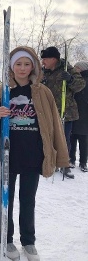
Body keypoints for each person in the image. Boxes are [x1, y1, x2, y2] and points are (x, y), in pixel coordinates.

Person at [0, 46, 69, 261]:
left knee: (28, 199)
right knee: (5, 199)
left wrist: (58, 154)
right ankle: (6, 238)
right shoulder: (3, 92)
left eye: (27, 64)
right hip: (7, 155)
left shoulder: (42, 92)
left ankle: (28, 241)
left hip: (32, 155)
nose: (22, 68)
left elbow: (52, 125)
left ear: (33, 66)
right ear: (11, 66)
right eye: (18, 64)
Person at [41, 46, 86, 179]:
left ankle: (65, 165)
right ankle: (50, 163)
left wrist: (71, 80)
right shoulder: (44, 71)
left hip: (65, 112)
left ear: (54, 59)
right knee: (48, 138)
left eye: (45, 59)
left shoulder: (68, 69)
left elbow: (80, 85)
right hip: (48, 111)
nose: (43, 61)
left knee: (64, 139)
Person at [69, 61, 88, 172]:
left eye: (77, 67)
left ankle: (83, 162)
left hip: (85, 114)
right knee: (72, 137)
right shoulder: (74, 80)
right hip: (74, 113)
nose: (75, 69)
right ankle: (71, 159)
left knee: (84, 140)